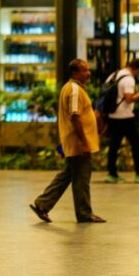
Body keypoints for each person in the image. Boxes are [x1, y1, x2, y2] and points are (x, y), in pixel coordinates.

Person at [29, 59, 105, 224]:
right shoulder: (74, 89)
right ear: (75, 73)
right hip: (78, 143)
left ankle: (42, 204)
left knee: (67, 175)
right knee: (81, 178)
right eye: (84, 70)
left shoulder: (72, 88)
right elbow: (75, 116)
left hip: (74, 142)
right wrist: (83, 142)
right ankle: (84, 213)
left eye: (88, 70)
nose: (88, 73)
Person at [104, 59, 139, 183]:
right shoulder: (129, 79)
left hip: (113, 115)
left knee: (114, 145)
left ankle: (112, 174)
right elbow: (129, 99)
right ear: (137, 69)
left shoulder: (116, 74)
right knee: (136, 144)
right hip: (125, 116)